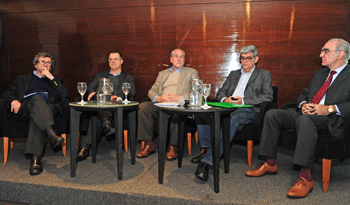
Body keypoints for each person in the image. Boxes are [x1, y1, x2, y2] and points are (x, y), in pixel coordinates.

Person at [245, 38, 350, 198]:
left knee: (305, 120)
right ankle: (269, 163)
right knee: (273, 114)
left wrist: (328, 108)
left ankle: (305, 177)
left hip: (332, 119)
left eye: (325, 51)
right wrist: (303, 104)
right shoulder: (320, 73)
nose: (320, 54)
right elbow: (306, 93)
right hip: (307, 113)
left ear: (340, 54)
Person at [193, 45, 273, 181]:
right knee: (202, 112)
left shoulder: (264, 74)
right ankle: (208, 150)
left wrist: (243, 101)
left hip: (249, 110)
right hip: (228, 107)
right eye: (242, 58)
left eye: (249, 58)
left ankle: (206, 163)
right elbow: (221, 92)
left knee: (233, 119)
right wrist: (226, 99)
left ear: (256, 59)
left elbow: (268, 96)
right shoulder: (234, 74)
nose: (245, 61)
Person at [1, 52, 69, 175]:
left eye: (49, 63)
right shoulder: (22, 78)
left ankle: (36, 159)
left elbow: (65, 95)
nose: (46, 65)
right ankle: (51, 134)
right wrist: (14, 100)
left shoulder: (55, 80)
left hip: (48, 110)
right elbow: (7, 93)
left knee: (36, 117)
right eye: (43, 62)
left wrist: (51, 78)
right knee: (37, 98)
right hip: (25, 108)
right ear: (35, 64)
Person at [137, 48, 199, 160]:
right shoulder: (162, 74)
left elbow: (197, 90)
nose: (179, 59)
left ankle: (174, 147)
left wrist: (180, 97)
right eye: (176, 56)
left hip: (179, 105)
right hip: (162, 104)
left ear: (184, 60)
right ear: (171, 59)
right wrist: (159, 98)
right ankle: (149, 144)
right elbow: (151, 91)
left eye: (182, 57)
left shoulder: (191, 72)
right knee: (143, 107)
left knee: (177, 113)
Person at [76, 51, 136, 162]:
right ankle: (107, 125)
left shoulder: (128, 77)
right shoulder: (101, 75)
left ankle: (85, 147)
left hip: (116, 107)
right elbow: (90, 87)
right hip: (101, 105)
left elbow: (131, 93)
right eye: (110, 59)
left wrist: (116, 96)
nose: (113, 61)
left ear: (121, 61)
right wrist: (91, 93)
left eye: (116, 59)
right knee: (99, 110)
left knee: (97, 116)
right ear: (108, 62)